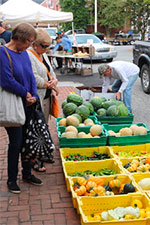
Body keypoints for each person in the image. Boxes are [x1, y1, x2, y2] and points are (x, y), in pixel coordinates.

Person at [0, 23, 43, 194]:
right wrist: (25, 94)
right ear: (18, 39)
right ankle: (12, 179)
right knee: (16, 143)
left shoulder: (24, 53)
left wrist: (33, 94)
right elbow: (6, 80)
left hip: (28, 104)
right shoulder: (3, 53)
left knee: (28, 140)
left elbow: (30, 75)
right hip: (14, 105)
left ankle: (27, 173)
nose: (30, 46)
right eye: (29, 42)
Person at [27, 28, 57, 170]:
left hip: (46, 97)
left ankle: (43, 153)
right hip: (36, 97)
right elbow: (33, 77)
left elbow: (51, 72)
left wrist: (54, 81)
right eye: (44, 46)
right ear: (35, 44)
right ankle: (34, 159)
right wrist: (48, 84)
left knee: (44, 125)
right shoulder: (29, 55)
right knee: (36, 129)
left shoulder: (42, 55)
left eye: (48, 46)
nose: (46, 49)